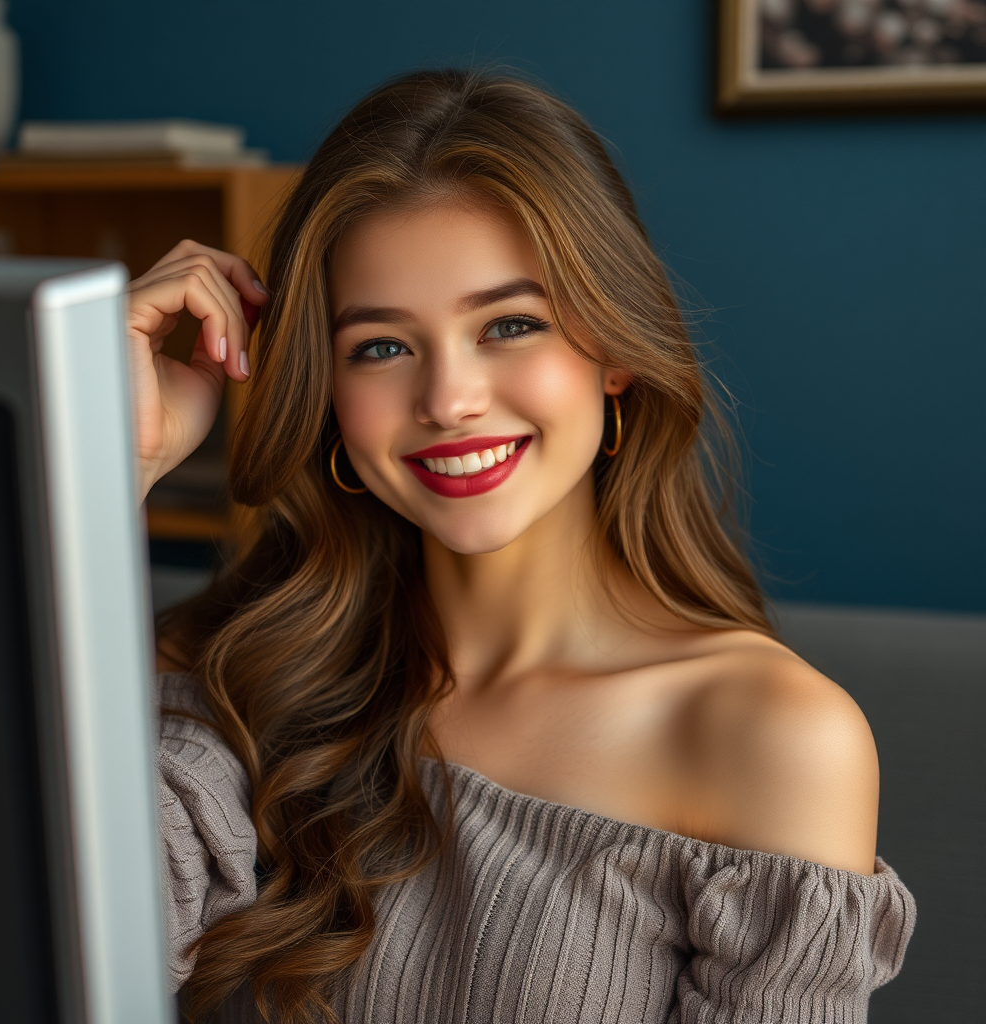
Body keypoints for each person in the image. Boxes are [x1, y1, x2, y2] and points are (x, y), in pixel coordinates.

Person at [133, 70, 914, 1023]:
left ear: (614, 348)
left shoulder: (774, 738)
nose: (448, 400)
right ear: (327, 392)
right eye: (381, 345)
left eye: (510, 325)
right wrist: (113, 463)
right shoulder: (231, 663)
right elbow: (59, 956)